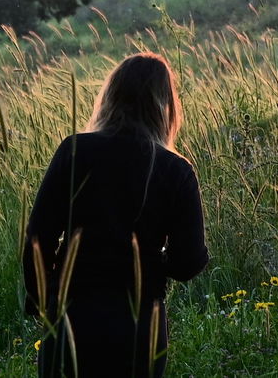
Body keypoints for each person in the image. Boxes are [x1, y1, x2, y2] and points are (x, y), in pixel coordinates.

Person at [24, 53, 209, 378]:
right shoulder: (176, 170)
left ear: (110, 96)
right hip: (139, 325)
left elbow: (37, 240)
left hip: (71, 315)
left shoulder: (74, 150)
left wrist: (45, 299)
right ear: (166, 105)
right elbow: (188, 263)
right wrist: (152, 261)